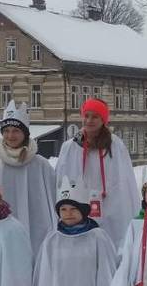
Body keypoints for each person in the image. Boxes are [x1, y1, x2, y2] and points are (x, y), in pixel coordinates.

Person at [54, 97, 138, 245]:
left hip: (110, 205)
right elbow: (61, 178)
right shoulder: (70, 147)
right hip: (78, 207)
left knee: (111, 243)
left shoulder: (115, 146)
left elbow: (125, 179)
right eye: (86, 116)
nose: (89, 120)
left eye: (95, 116)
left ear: (103, 119)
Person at [0, 100, 56, 253]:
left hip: (37, 231)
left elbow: (53, 197)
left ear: (25, 133)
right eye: (6, 131)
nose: (10, 135)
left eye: (16, 131)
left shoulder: (41, 165)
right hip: (2, 233)